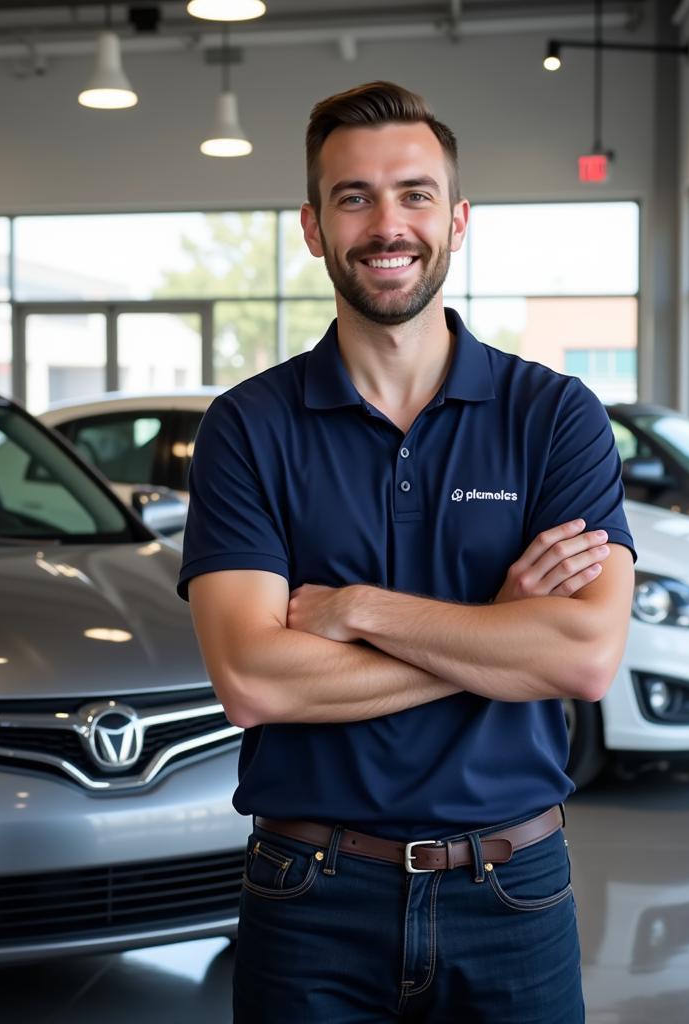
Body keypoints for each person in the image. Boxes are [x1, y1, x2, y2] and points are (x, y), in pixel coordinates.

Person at [179, 81, 636, 1022]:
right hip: (308, 893)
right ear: (313, 227)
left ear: (457, 218)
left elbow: (585, 656)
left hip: (512, 886)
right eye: (355, 198)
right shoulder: (249, 428)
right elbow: (255, 681)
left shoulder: (555, 418)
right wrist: (504, 635)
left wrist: (361, 612)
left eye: (415, 194)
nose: (388, 224)